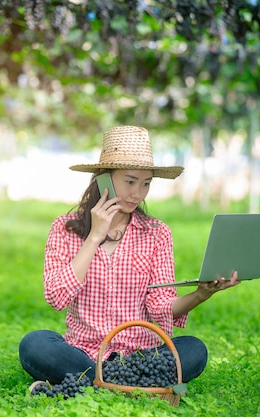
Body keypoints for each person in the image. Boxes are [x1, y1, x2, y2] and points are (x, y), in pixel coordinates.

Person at [18, 125, 239, 391]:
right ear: (104, 179)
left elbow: (160, 306)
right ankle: (131, 383)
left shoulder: (157, 234)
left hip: (139, 353)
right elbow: (56, 296)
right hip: (83, 353)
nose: (138, 193)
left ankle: (88, 383)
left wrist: (201, 295)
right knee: (35, 344)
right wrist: (94, 237)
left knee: (194, 350)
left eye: (146, 184)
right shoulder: (64, 228)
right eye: (130, 181)